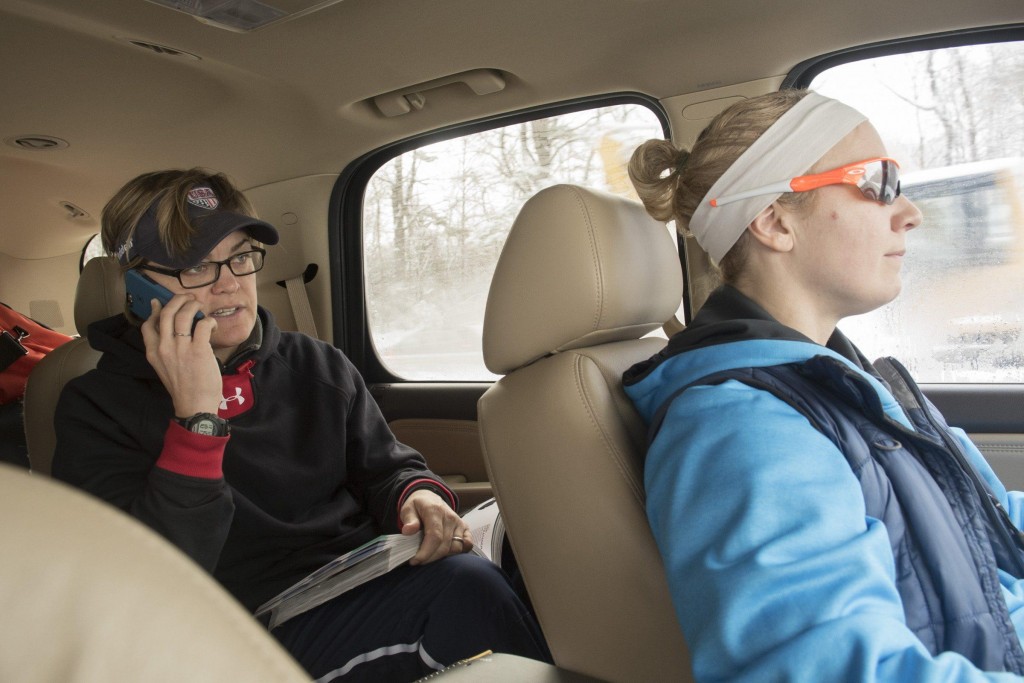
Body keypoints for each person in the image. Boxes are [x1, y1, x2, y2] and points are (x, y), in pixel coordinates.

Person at [52, 168, 550, 682]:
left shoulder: (315, 364)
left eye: (240, 256)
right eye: (197, 266)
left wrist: (416, 498)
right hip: (245, 628)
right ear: (136, 287)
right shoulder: (95, 408)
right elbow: (146, 580)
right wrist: (197, 417)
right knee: (463, 589)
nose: (230, 282)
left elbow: (386, 469)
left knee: (536, 546)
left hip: (364, 578)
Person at [623, 89, 1024, 681]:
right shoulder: (740, 426)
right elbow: (825, 666)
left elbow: (992, 525)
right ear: (774, 221)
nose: (909, 210)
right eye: (878, 182)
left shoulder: (845, 381)